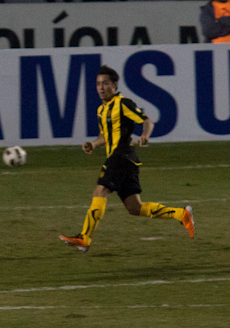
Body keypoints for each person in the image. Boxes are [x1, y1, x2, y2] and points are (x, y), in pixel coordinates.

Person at [59, 67, 194, 252]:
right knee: (134, 208)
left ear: (114, 85)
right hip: (126, 161)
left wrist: (145, 135)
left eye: (105, 83)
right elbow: (104, 135)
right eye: (98, 84)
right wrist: (94, 144)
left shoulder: (123, 104)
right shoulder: (101, 110)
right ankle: (182, 214)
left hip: (120, 156)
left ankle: (84, 238)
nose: (101, 87)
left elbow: (147, 121)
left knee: (99, 192)